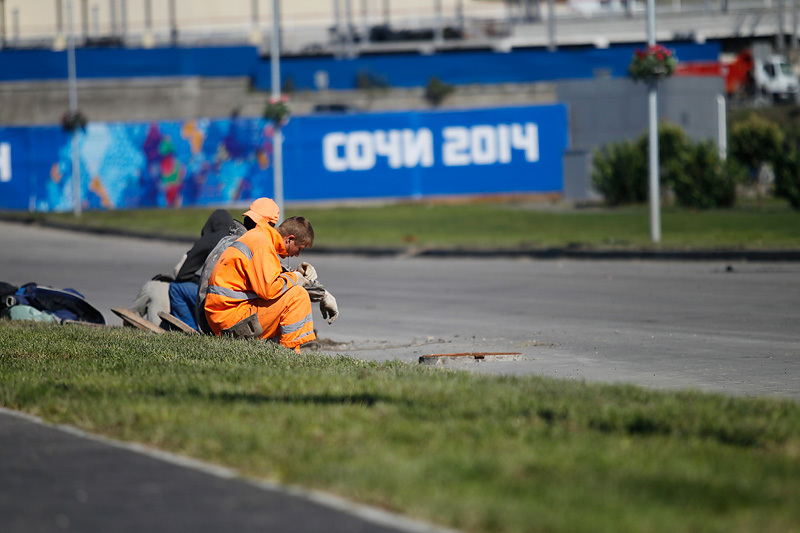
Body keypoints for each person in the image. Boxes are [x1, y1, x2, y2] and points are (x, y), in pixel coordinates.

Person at [203, 208, 337, 353]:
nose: (297, 255)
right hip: (229, 320)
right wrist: (295, 277)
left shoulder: (260, 238)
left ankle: (282, 347)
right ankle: (290, 354)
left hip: (222, 316)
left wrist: (317, 290)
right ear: (290, 239)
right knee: (298, 296)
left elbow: (274, 281)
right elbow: (269, 290)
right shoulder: (263, 244)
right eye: (299, 249)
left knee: (292, 293)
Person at [168, 209, 234, 330]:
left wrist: (201, 281)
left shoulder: (209, 238)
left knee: (175, 287)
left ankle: (191, 329)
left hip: (217, 298)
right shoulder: (242, 238)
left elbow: (182, 274)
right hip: (239, 300)